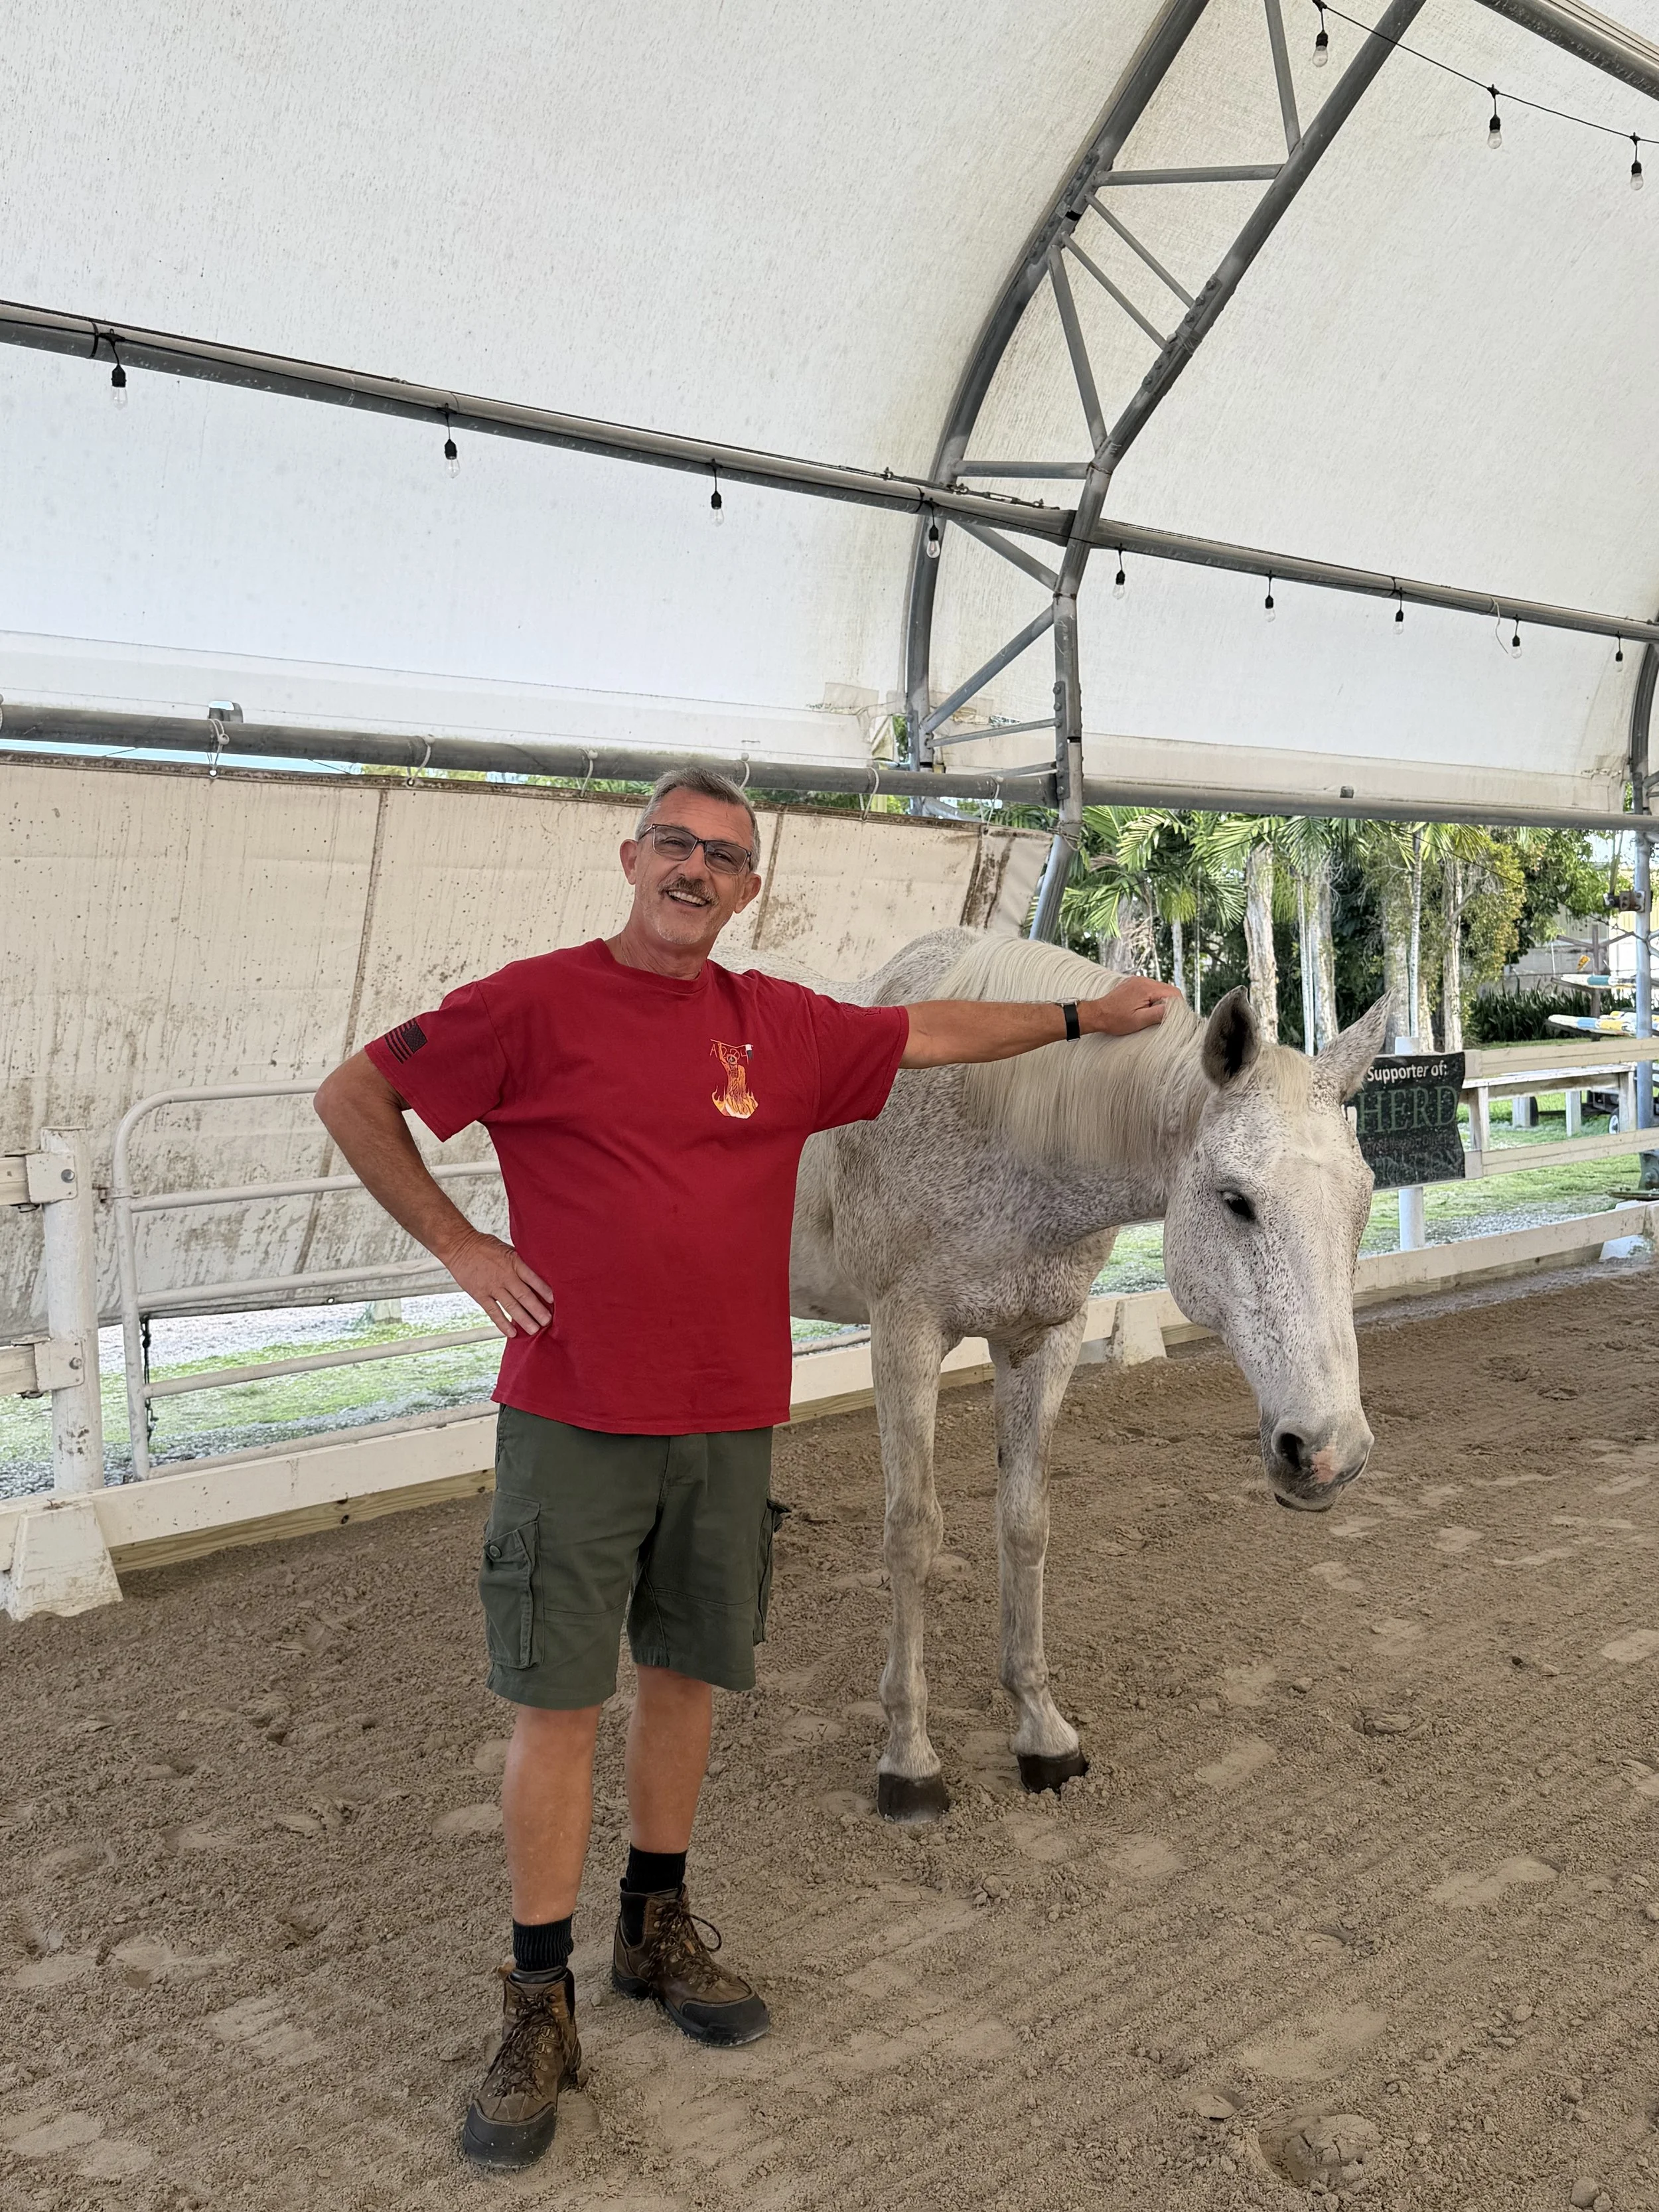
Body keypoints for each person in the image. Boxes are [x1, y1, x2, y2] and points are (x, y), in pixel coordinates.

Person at [313, 765, 1177, 2172]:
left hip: (726, 1416)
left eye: (722, 855)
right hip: (576, 1410)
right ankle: (540, 1992)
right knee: (553, 1700)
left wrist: (1087, 1013)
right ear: (629, 853)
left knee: (688, 1674)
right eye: (674, 843)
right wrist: (459, 1247)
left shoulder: (770, 1025)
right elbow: (356, 1093)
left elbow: (928, 1032)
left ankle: (654, 1925)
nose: (693, 869)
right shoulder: (532, 1003)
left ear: (747, 886)